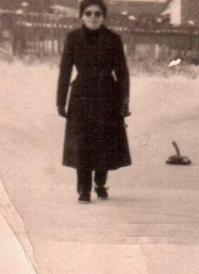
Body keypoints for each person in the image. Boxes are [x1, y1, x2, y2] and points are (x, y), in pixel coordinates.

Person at [57, 0, 131, 203]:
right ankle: (83, 189)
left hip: (107, 96)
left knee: (103, 141)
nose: (93, 17)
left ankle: (100, 183)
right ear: (81, 15)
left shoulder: (113, 39)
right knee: (82, 143)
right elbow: (65, 71)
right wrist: (60, 102)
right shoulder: (73, 38)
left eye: (97, 13)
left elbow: (122, 73)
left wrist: (124, 101)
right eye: (88, 13)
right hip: (81, 96)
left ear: (103, 16)